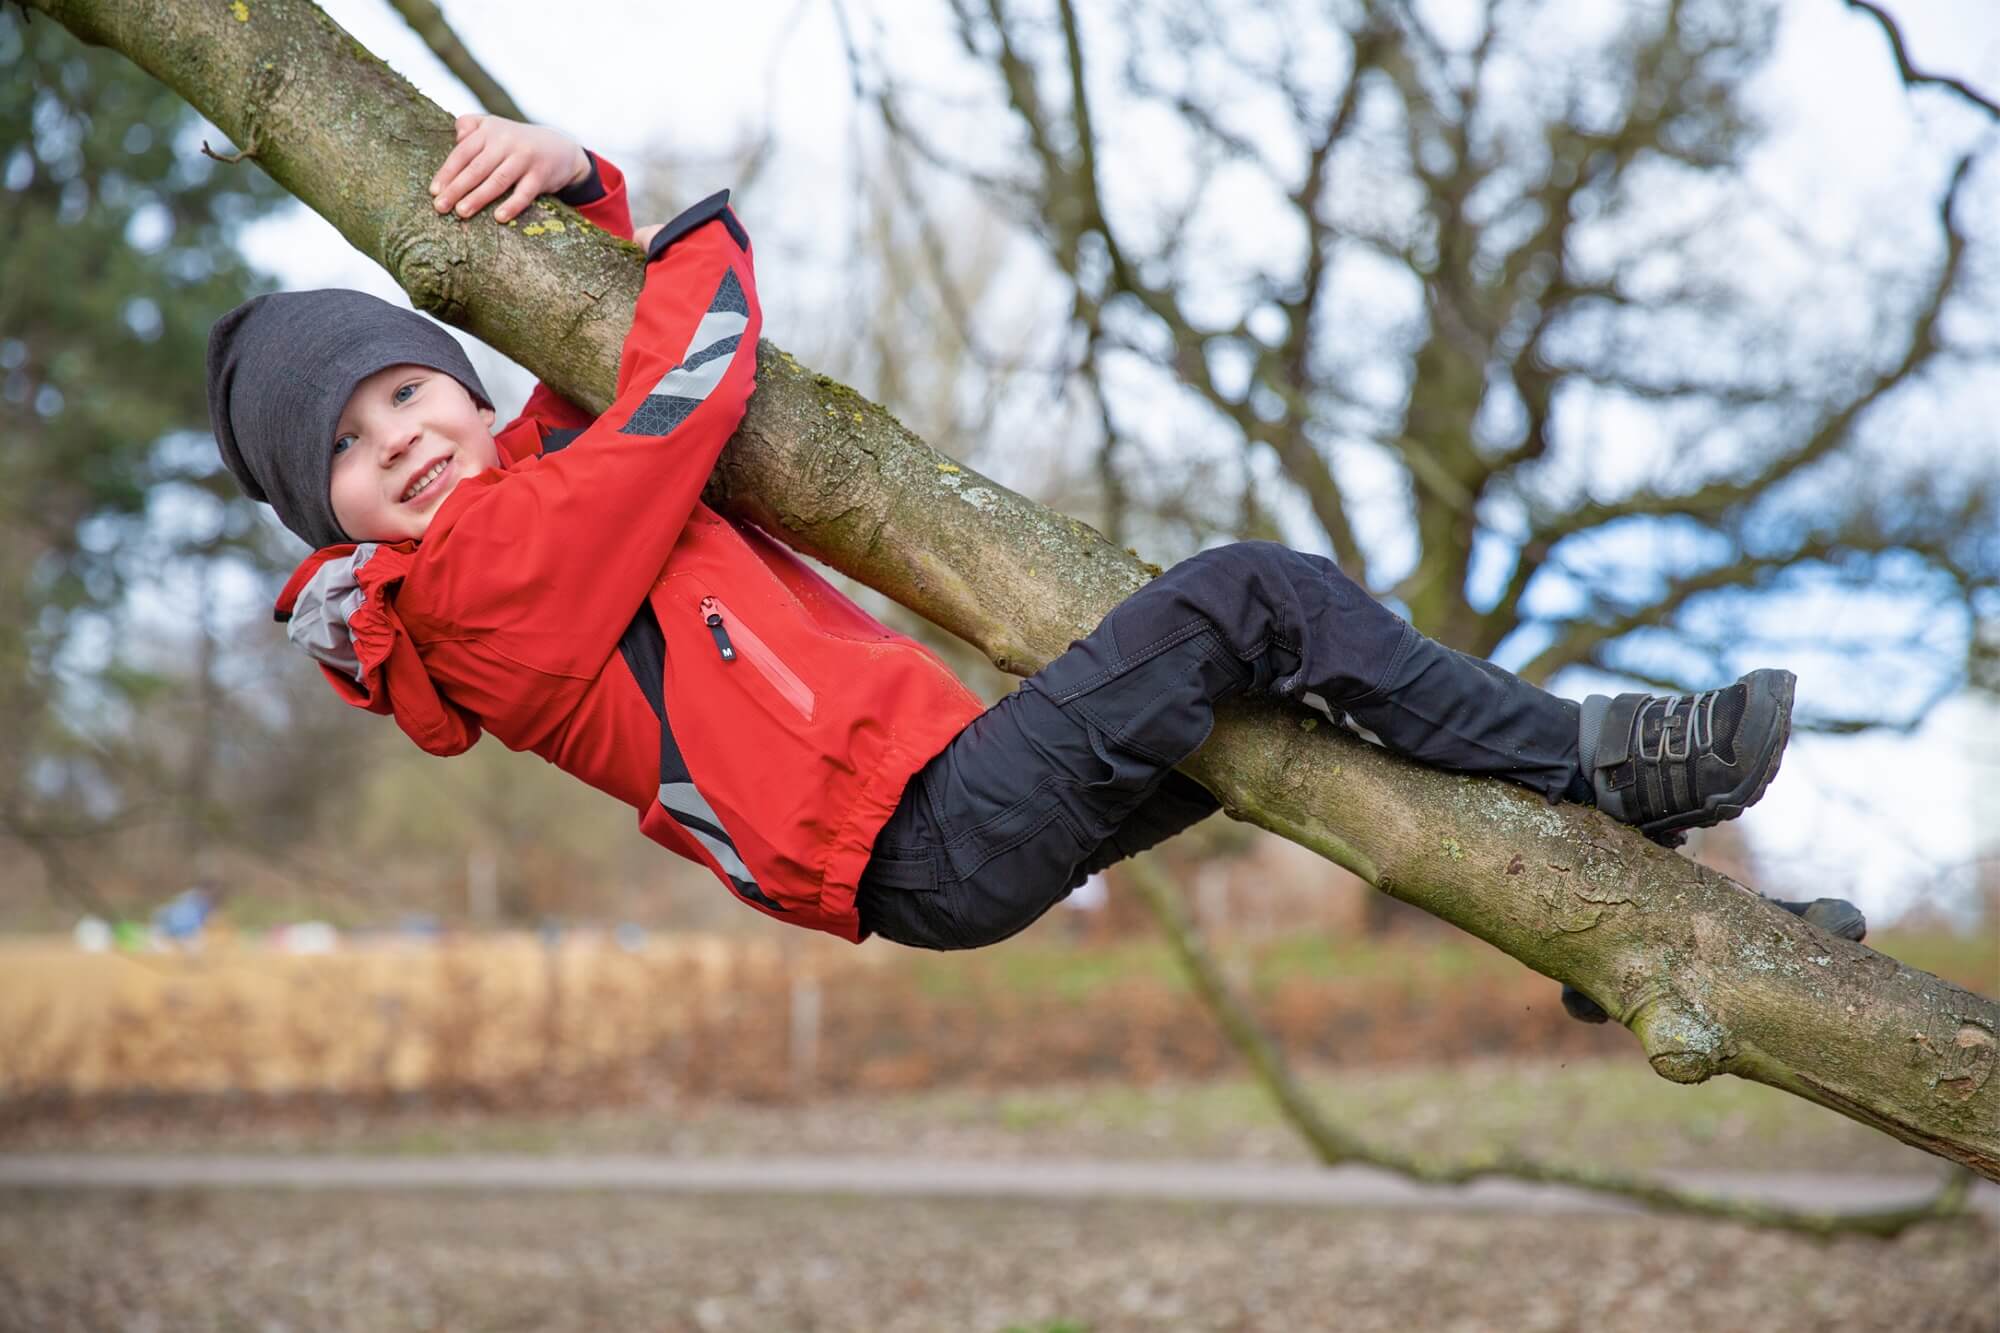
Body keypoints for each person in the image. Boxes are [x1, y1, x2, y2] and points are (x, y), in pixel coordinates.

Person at [206, 116, 1864, 1023]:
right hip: (922, 831)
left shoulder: (532, 494)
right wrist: (694, 225)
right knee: (1252, 599)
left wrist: (582, 181)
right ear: (330, 518)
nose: (402, 437)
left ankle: (1622, 929)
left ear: (466, 380)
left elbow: (594, 366)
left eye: (410, 385)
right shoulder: (476, 594)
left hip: (925, 811)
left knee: (1294, 739)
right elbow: (679, 382)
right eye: (349, 446)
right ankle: (1606, 755)